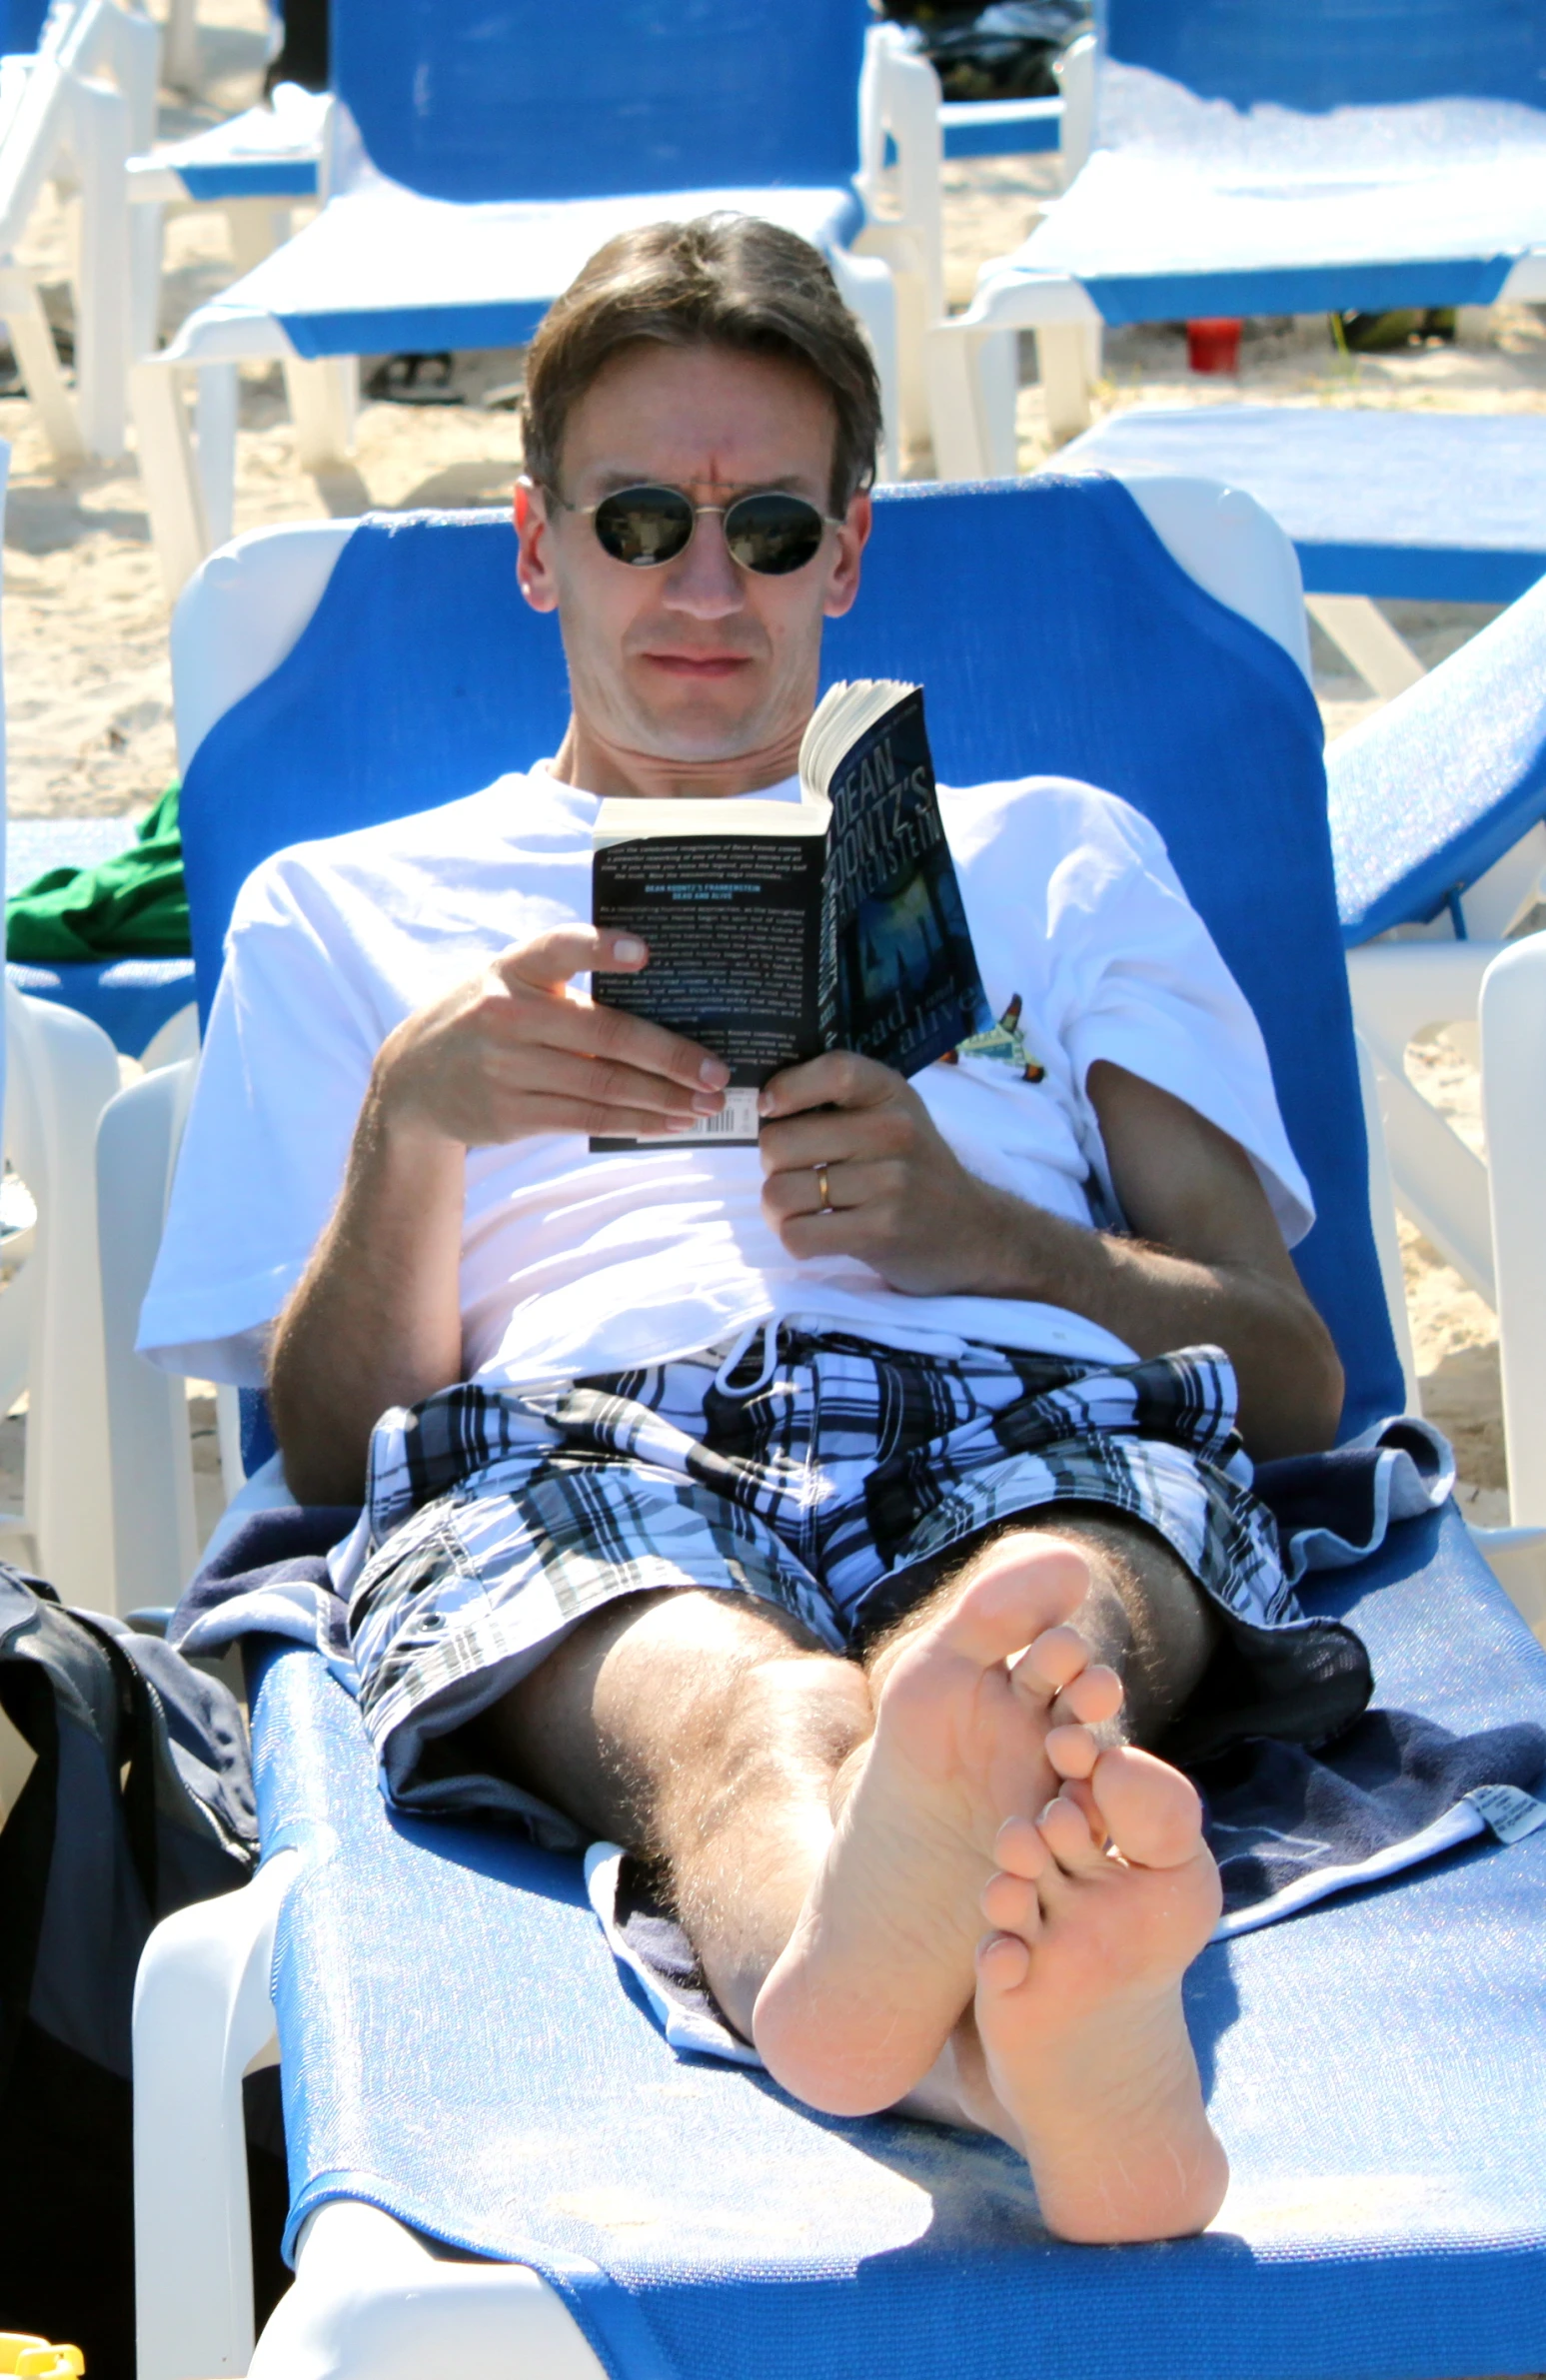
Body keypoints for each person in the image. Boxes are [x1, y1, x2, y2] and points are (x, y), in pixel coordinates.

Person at [140, 213, 1359, 2248]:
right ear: (535, 548)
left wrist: (998, 1237)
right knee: (750, 1715)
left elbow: (1291, 1371)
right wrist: (415, 1123)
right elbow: (332, 1464)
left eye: (770, 530)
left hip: (1014, 1406)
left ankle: (946, 2047)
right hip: (571, 1446)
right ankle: (999, 2051)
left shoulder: (1053, 853)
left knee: (1017, 1637)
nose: (705, 590)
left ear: (848, 554)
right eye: (638, 521)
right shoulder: (344, 913)